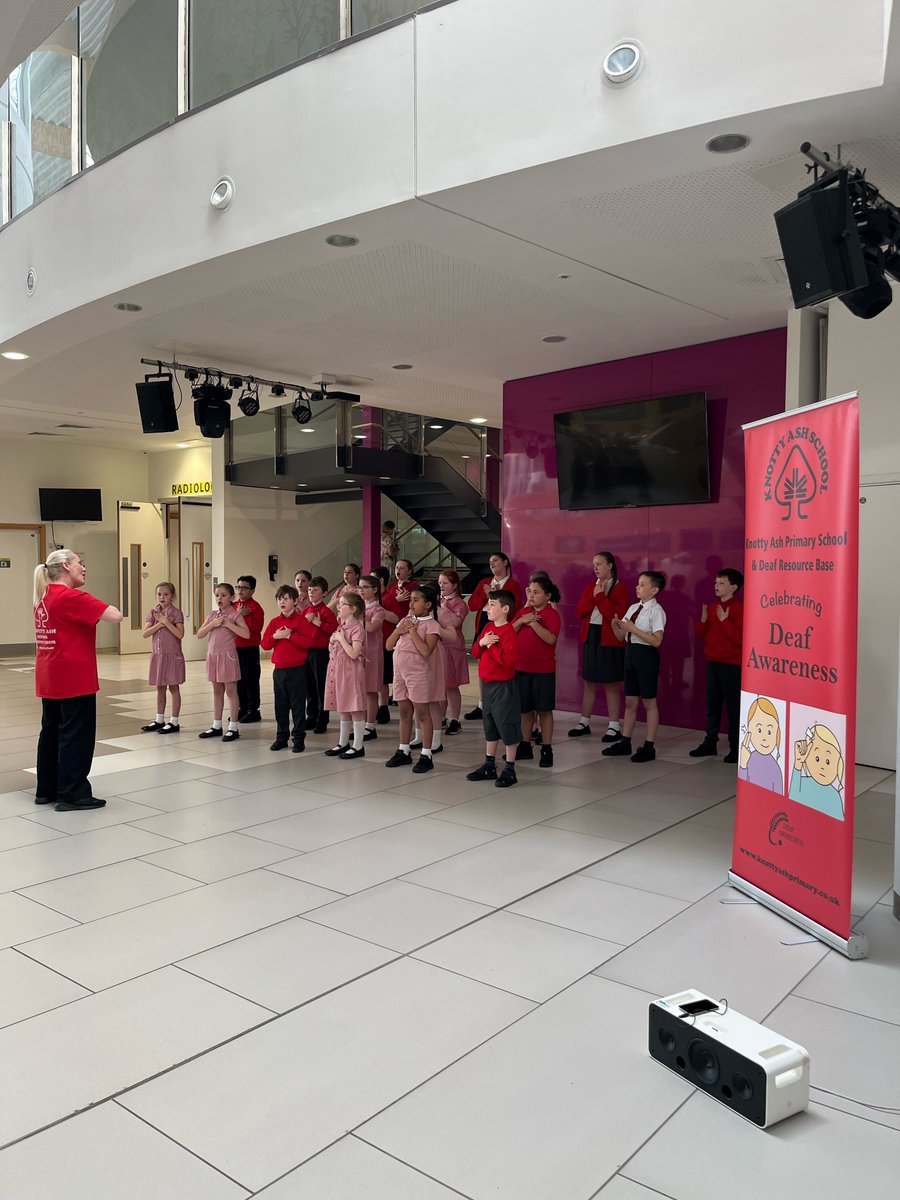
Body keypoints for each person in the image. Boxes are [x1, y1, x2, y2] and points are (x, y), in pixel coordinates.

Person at [33, 549, 123, 812]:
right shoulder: (72, 597)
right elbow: (115, 615)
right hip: (74, 679)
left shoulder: (41, 596)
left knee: (50, 732)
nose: (84, 568)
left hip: (49, 676)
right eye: (80, 563)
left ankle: (46, 789)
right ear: (65, 566)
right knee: (76, 736)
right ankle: (72, 793)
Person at [603, 571, 666, 763]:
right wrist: (616, 626)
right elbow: (622, 637)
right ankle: (625, 741)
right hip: (630, 654)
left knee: (649, 702)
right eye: (638, 584)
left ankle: (649, 745)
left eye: (643, 585)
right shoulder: (632, 608)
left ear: (654, 590)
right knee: (630, 701)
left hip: (646, 656)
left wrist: (634, 629)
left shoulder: (657, 611)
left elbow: (656, 641)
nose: (637, 587)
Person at [570, 551, 629, 741]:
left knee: (611, 683)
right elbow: (580, 611)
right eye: (594, 564)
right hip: (591, 636)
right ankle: (584, 722)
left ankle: (614, 726)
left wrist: (601, 597)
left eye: (600, 564)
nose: (595, 568)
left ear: (610, 565)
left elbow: (615, 616)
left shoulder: (620, 589)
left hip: (610, 638)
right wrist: (596, 595)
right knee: (589, 681)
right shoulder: (591, 586)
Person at [384, 584, 442, 774]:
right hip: (400, 672)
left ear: (428, 605)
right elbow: (389, 645)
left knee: (422, 714)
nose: (411, 603)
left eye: (416, 600)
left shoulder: (432, 625)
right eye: (411, 600)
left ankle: (426, 754)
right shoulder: (406, 620)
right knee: (404, 712)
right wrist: (399, 630)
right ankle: (404, 749)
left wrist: (412, 632)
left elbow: (426, 651)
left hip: (418, 674)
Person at [466, 589, 520, 788]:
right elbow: (474, 651)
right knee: (490, 723)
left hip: (503, 686)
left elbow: (508, 661)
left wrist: (491, 646)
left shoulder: (508, 632)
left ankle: (510, 768)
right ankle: (489, 764)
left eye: (492, 605)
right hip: (487, 686)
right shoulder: (488, 626)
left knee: (506, 724)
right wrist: (482, 641)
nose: (488, 608)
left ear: (505, 609)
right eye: (488, 604)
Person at [690, 567, 744, 762]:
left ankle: (736, 747)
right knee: (712, 704)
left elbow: (741, 639)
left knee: (733, 707)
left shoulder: (739, 608)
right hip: (713, 662)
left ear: (733, 587)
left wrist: (724, 621)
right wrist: (704, 620)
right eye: (716, 583)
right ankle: (710, 742)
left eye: (721, 583)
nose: (716, 586)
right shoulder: (712, 607)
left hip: (732, 665)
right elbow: (701, 634)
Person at [464, 552, 522, 720]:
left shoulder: (512, 585)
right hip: (484, 620)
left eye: (495, 560)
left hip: (503, 624)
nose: (492, 564)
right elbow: (472, 605)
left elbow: (514, 608)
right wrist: (487, 595)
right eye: (490, 562)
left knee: (500, 660)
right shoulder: (484, 583)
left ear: (505, 562)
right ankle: (482, 703)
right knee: (483, 660)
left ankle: (500, 700)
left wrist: (497, 595)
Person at [513, 575, 561, 767]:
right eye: (530, 591)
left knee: (544, 710)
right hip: (522, 667)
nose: (532, 596)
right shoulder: (524, 611)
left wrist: (533, 623)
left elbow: (550, 639)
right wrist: (523, 620)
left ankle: (547, 748)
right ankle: (525, 745)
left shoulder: (552, 614)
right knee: (525, 710)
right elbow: (510, 631)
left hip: (543, 670)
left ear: (547, 595)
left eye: (536, 592)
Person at [261, 585, 316, 752]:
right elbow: (264, 644)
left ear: (294, 600)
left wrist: (291, 635)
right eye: (279, 599)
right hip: (279, 670)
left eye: (286, 598)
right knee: (281, 705)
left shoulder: (301, 621)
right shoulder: (274, 622)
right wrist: (276, 636)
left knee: (298, 705)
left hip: (297, 670)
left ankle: (299, 738)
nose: (282, 602)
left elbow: (309, 642)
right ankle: (281, 737)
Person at [196, 583, 249, 742]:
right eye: (217, 595)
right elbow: (199, 634)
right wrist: (212, 624)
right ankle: (216, 725)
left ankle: (233, 727)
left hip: (227, 657)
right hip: (213, 657)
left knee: (231, 692)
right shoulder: (212, 615)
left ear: (231, 597)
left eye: (224, 595)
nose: (220, 598)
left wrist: (228, 624)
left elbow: (246, 634)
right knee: (217, 691)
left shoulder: (235, 615)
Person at [324, 591, 368, 759]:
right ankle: (343, 742)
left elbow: (354, 653)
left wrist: (341, 639)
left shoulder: (357, 628)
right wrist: (332, 640)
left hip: (350, 672)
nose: (338, 606)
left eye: (342, 604)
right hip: (338, 669)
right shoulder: (341, 626)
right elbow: (332, 646)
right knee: (343, 708)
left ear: (353, 609)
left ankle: (358, 745)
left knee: (354, 708)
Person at [140, 582, 185, 735]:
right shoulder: (153, 613)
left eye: (166, 594)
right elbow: (145, 633)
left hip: (172, 656)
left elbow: (180, 634)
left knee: (173, 687)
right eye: (159, 594)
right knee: (160, 688)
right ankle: (159, 719)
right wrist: (160, 624)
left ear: (172, 596)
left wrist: (166, 622)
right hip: (158, 656)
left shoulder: (176, 613)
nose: (162, 597)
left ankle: (174, 721)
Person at [302, 576, 338, 734]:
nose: (311, 593)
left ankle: (323, 719)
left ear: (324, 593)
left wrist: (318, 623)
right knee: (309, 685)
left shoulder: (326, 612)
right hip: (306, 651)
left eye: (315, 590)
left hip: (321, 652)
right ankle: (311, 715)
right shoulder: (306, 610)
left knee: (321, 685)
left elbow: (334, 629)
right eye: (310, 590)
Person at [381, 559, 418, 714]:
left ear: (409, 571)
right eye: (396, 567)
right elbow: (382, 602)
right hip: (392, 628)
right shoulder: (391, 587)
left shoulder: (413, 586)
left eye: (402, 568)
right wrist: (394, 599)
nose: (398, 570)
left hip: (408, 626)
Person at [789, 723, 845, 819]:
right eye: (817, 759)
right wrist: (798, 763)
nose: (822, 767)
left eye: (828, 761)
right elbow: (792, 801)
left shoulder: (834, 797)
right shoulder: (803, 783)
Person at [437, 569, 469, 735]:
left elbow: (456, 622)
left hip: (453, 646)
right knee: (440, 684)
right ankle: (441, 716)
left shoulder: (459, 604)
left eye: (445, 583)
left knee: (451, 684)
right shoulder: (438, 599)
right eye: (440, 582)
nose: (441, 586)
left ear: (454, 585)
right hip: (438, 645)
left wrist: (444, 609)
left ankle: (455, 719)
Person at [359, 574, 386, 741]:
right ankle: (360, 723)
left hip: (373, 652)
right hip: (358, 651)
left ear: (375, 590)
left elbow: (372, 627)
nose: (361, 590)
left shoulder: (378, 610)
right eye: (360, 587)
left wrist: (356, 618)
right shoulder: (358, 607)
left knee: (370, 690)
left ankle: (370, 726)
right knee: (360, 689)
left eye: (365, 587)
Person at [235, 574, 265, 723]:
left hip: (249, 648)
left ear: (252, 591)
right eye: (238, 587)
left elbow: (256, 628)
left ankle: (254, 710)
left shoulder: (255, 607)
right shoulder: (234, 606)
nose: (240, 590)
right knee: (238, 680)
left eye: (244, 588)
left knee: (251, 680)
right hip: (235, 648)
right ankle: (242, 708)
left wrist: (243, 617)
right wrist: (238, 614)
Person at [737, 696, 783, 793]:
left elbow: (779, 795)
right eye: (759, 730)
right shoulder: (748, 759)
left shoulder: (775, 768)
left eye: (769, 732)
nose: (764, 738)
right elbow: (744, 790)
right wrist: (743, 765)